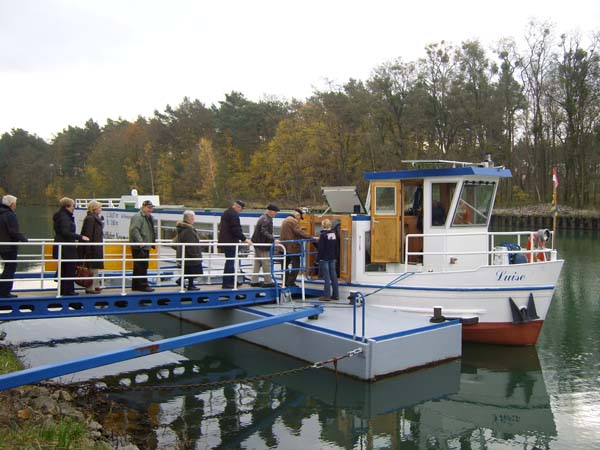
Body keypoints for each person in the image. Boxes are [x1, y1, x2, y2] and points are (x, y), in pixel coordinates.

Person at [53, 197, 89, 296]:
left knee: (64, 269)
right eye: (73, 206)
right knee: (69, 269)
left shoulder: (61, 216)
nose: (74, 208)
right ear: (67, 206)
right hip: (66, 247)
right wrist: (80, 237)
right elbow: (65, 232)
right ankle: (68, 291)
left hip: (63, 246)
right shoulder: (65, 217)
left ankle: (64, 290)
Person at [218, 200, 252, 289]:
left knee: (231, 261)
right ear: (238, 207)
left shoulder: (227, 212)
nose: (241, 211)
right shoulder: (233, 215)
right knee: (230, 262)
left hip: (226, 241)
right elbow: (235, 229)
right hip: (230, 242)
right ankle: (227, 283)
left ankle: (232, 280)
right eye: (241, 209)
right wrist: (244, 239)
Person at [0, 195, 28, 298]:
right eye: (15, 203)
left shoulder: (1, 213)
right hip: (9, 246)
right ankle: (4, 292)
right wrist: (23, 238)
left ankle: (2, 290)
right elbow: (13, 231)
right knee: (10, 268)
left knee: (7, 267)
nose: (16, 206)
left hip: (3, 245)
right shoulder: (9, 215)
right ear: (11, 204)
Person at [128, 199, 156, 292]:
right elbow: (134, 230)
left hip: (145, 245)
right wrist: (140, 242)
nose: (150, 209)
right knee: (141, 266)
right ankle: (143, 285)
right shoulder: (138, 217)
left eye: (151, 208)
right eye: (148, 207)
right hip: (140, 246)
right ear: (143, 207)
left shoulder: (148, 217)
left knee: (139, 266)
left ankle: (136, 285)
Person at [250, 204, 281, 287]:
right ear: (271, 211)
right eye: (275, 212)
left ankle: (254, 280)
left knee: (257, 262)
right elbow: (264, 231)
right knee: (266, 263)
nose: (276, 214)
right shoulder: (267, 219)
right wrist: (273, 239)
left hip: (257, 243)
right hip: (263, 245)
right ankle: (268, 281)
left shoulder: (262, 217)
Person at [280, 208, 311, 287]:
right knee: (296, 265)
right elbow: (299, 231)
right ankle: (290, 282)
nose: (299, 220)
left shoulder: (286, 220)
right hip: (292, 247)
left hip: (284, 247)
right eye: (300, 218)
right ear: (297, 215)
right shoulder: (293, 221)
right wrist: (310, 237)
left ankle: (285, 281)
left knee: (285, 265)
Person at [79, 200, 104, 294]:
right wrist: (88, 248)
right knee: (91, 267)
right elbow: (88, 234)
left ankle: (96, 286)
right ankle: (90, 288)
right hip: (92, 247)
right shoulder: (90, 219)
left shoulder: (94, 218)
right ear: (94, 208)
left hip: (95, 246)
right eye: (100, 207)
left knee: (95, 267)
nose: (101, 209)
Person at [175, 210, 203, 291]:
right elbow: (191, 244)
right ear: (189, 218)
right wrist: (195, 254)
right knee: (193, 270)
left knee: (189, 270)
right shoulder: (188, 230)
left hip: (185, 254)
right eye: (193, 218)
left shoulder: (182, 229)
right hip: (190, 255)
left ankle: (183, 281)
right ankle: (190, 285)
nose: (194, 219)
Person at [317, 219, 339, 301]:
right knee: (334, 276)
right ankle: (336, 295)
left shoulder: (323, 235)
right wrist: (335, 256)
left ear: (323, 225)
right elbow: (336, 246)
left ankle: (327, 296)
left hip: (324, 258)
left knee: (326, 277)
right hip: (332, 257)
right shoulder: (333, 234)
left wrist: (319, 258)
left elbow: (321, 248)